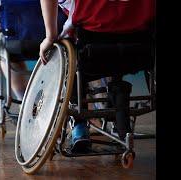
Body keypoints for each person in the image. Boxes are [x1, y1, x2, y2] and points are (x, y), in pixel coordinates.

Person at [39, 0, 155, 153]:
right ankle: (117, 105)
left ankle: (79, 124)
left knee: (67, 51)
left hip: (92, 54)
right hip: (140, 55)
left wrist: (50, 36)